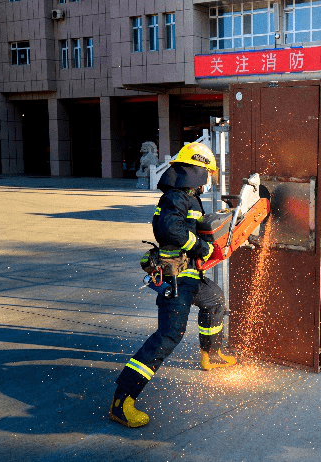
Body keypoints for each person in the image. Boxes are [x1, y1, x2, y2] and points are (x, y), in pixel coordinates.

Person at [109, 142, 237, 428]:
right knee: (168, 336)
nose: (209, 180)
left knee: (214, 299)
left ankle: (210, 354)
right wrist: (201, 247)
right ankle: (122, 401)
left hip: (188, 275)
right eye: (207, 173)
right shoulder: (176, 197)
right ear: (195, 171)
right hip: (175, 277)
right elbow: (170, 230)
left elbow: (189, 227)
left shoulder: (187, 196)